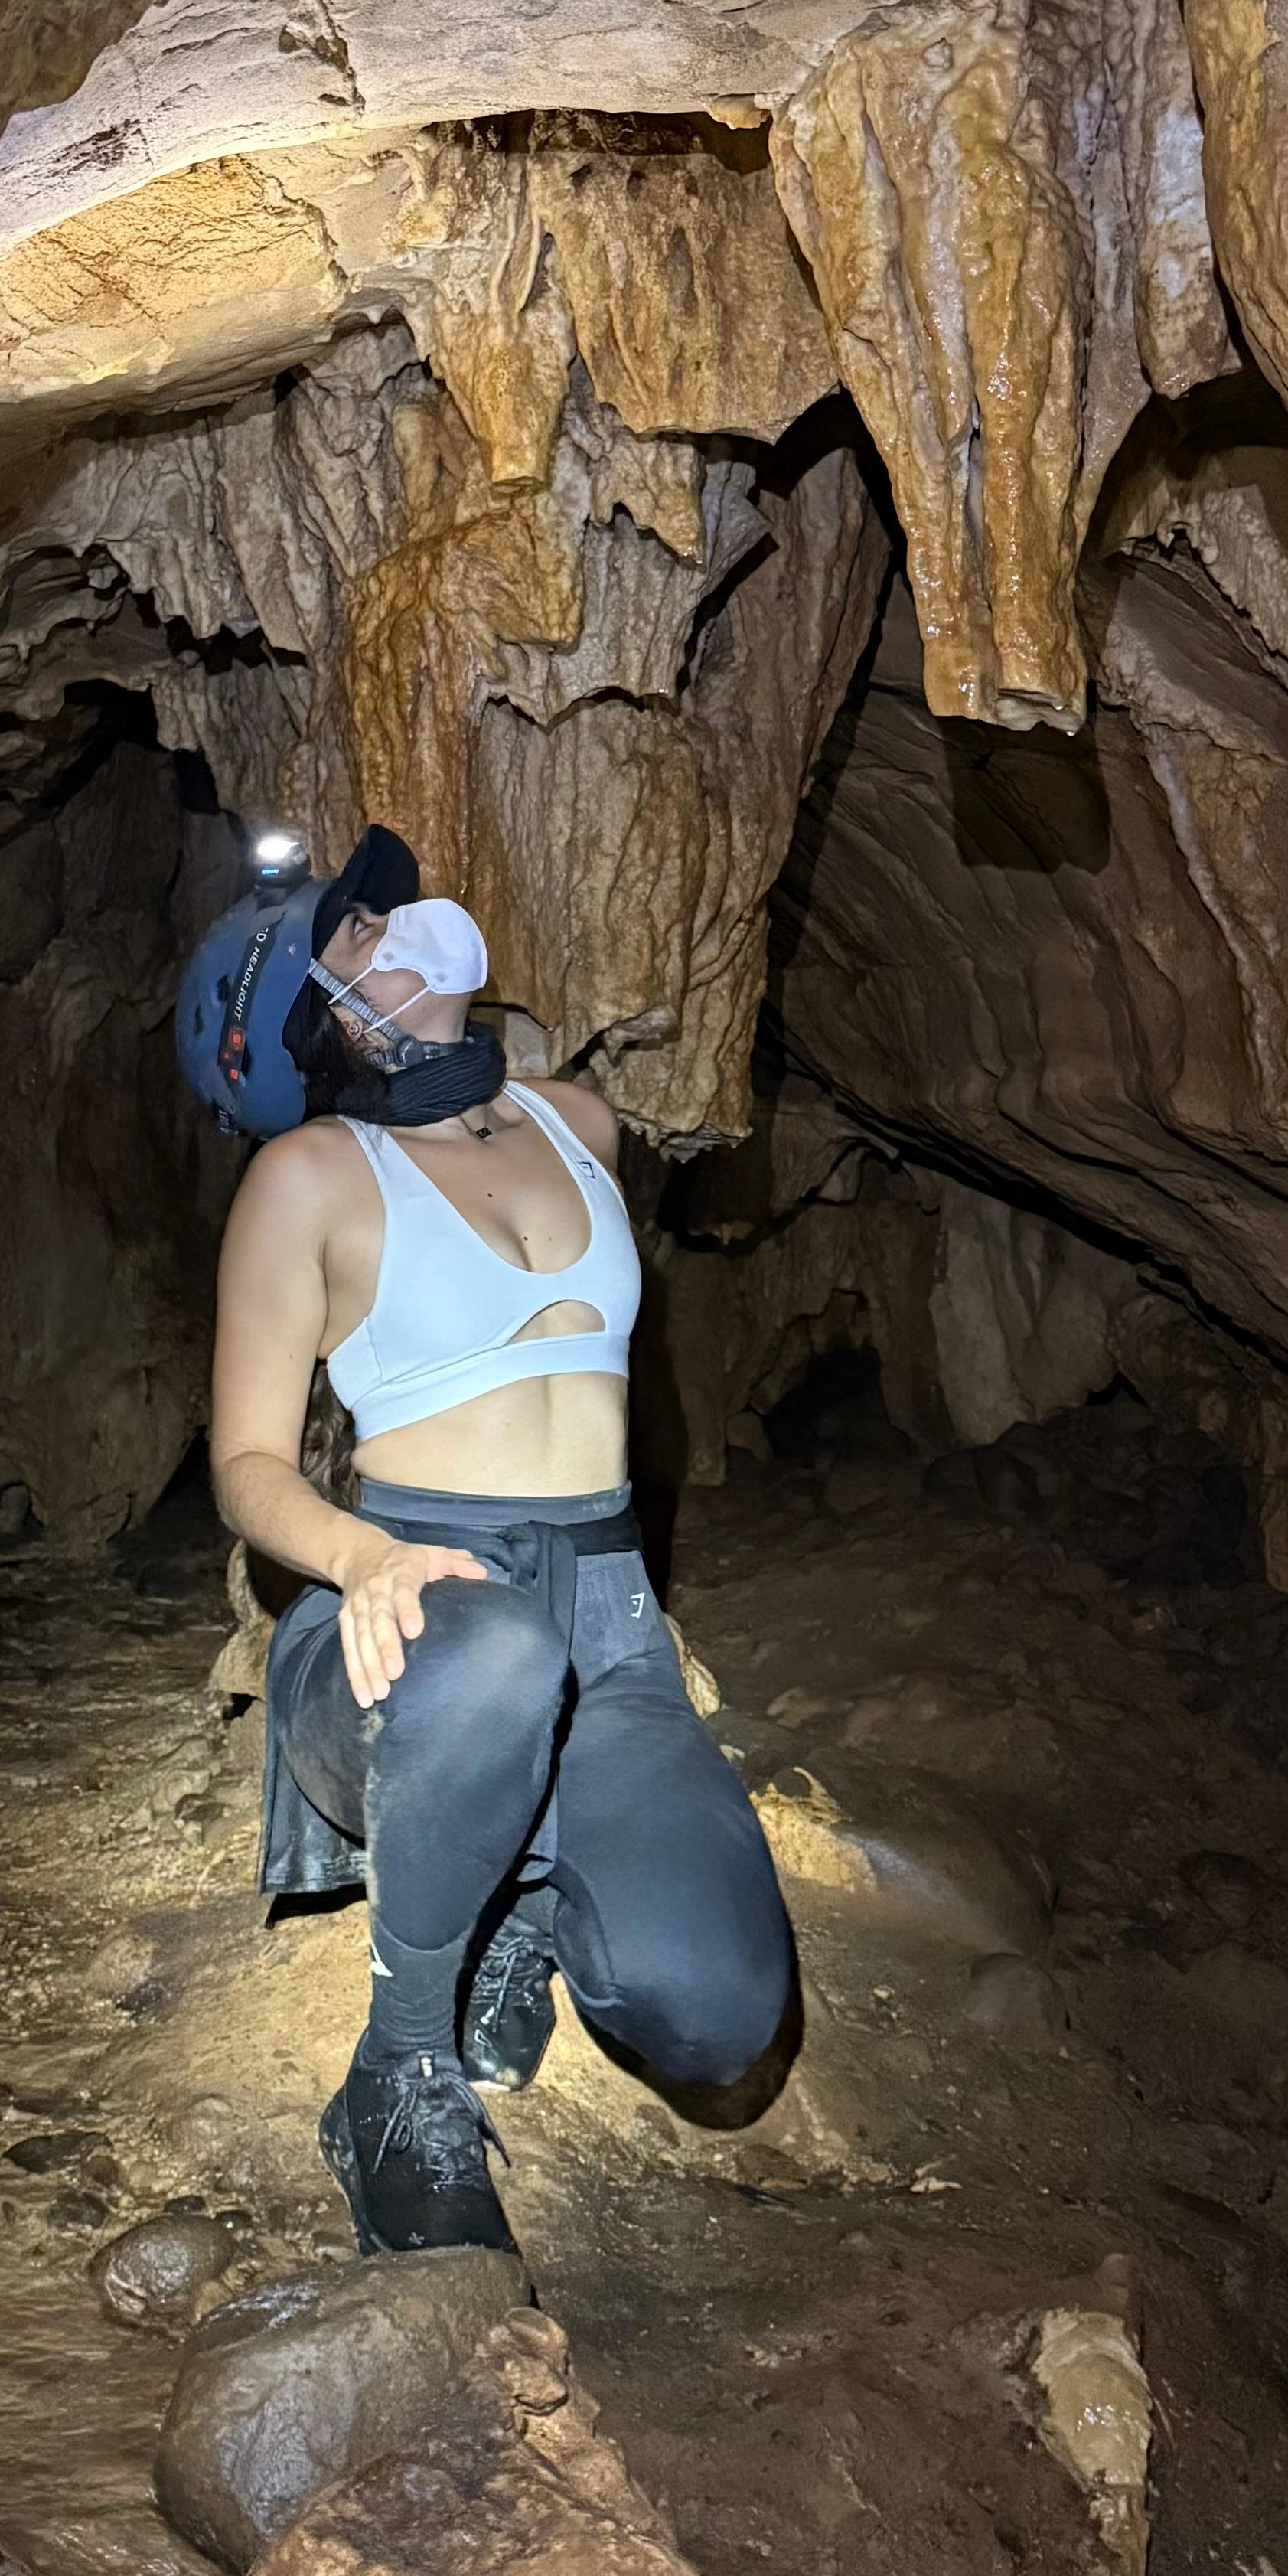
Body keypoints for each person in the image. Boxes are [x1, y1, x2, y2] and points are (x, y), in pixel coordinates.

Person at [203, 826, 795, 2261]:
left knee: (719, 2014)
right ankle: (397, 2070)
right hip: (415, 1619)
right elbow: (244, 1468)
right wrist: (361, 1561)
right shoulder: (309, 1177)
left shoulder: (580, 1124)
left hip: (608, 1617)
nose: (404, 924)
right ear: (318, 1011)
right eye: (361, 930)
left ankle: (521, 1896)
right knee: (499, 1660)